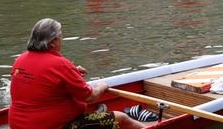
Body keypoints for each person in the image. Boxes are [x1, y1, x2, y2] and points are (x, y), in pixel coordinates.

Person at [9, 18, 147, 129]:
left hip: (17, 124)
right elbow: (89, 97)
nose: (61, 40)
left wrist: (72, 73)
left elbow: (42, 84)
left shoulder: (20, 60)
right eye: (60, 36)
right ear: (52, 42)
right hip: (56, 125)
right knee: (120, 118)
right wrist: (101, 86)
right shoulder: (60, 64)